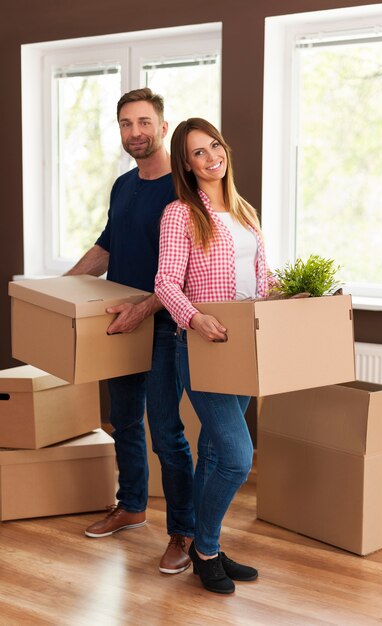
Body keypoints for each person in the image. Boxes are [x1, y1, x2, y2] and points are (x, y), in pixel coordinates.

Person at [66, 88, 194, 575]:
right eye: (125, 123)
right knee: (123, 420)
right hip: (119, 320)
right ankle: (132, 505)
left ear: (164, 127)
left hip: (165, 325)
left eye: (144, 122)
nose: (134, 132)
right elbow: (106, 247)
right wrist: (60, 291)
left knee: (166, 432)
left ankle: (182, 531)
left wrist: (144, 310)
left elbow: (189, 269)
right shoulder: (122, 185)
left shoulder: (184, 188)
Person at [155, 118, 276, 594]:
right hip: (202, 347)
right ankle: (205, 550)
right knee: (238, 457)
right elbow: (166, 282)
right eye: (198, 153)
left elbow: (259, 280)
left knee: (212, 453)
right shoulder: (179, 214)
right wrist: (194, 319)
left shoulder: (246, 212)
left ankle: (209, 544)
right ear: (186, 164)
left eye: (215, 146)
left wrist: (291, 296)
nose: (211, 157)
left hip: (245, 346)